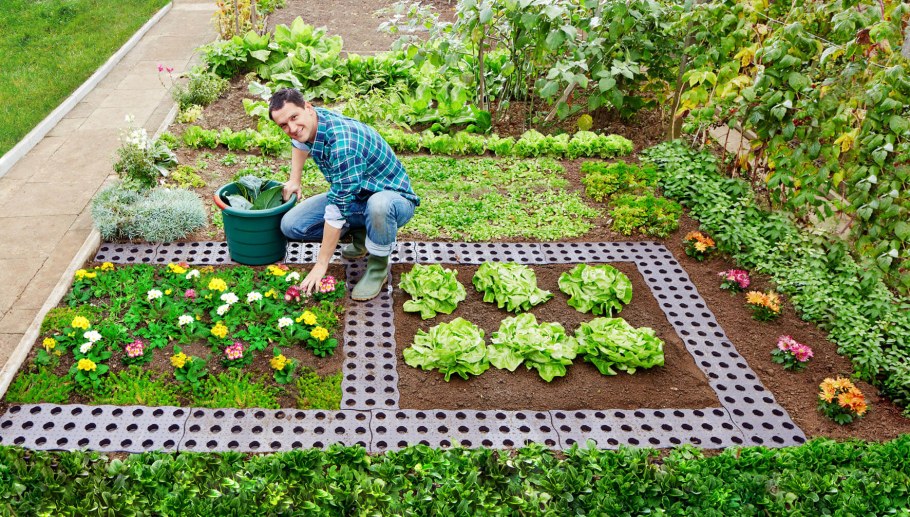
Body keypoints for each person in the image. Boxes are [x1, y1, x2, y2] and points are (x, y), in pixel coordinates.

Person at [269, 88, 419, 301]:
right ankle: (363, 233)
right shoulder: (313, 120)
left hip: (393, 200)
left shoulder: (343, 144)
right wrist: (295, 179)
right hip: (357, 195)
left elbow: (338, 207)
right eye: (283, 125)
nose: (291, 128)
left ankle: (378, 268)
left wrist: (321, 265)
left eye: (294, 117)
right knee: (292, 225)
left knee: (378, 206)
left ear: (308, 108)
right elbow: (298, 141)